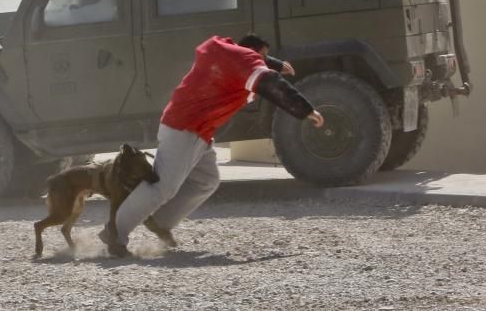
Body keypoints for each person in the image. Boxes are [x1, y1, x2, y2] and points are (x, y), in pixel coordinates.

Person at [100, 34, 325, 257]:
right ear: (251, 53)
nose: (263, 62)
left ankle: (159, 222)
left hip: (196, 130)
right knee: (163, 187)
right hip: (185, 129)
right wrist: (305, 110)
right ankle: (115, 232)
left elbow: (253, 61)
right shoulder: (243, 60)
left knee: (205, 181)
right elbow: (269, 82)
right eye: (263, 57)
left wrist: (274, 63)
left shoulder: (231, 57)